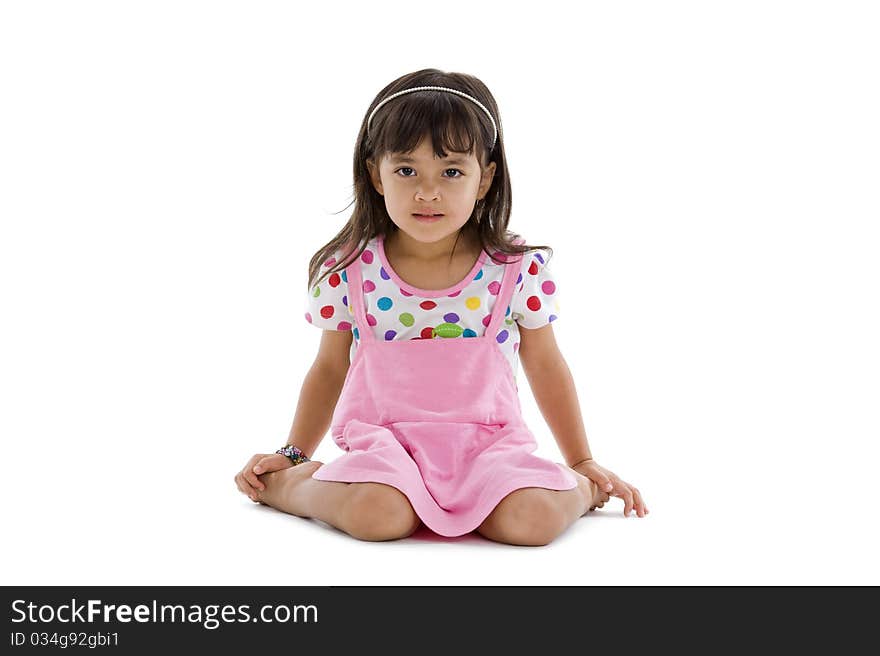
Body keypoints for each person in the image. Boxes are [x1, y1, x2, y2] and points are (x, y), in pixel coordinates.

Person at [234, 68, 648, 546]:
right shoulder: (349, 269)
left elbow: (546, 363)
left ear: (484, 178)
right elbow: (330, 368)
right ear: (376, 174)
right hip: (384, 446)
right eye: (406, 170)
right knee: (378, 516)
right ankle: (290, 487)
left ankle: (582, 490)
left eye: (451, 171)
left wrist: (579, 460)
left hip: (489, 445)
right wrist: (294, 451)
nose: (427, 192)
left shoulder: (513, 269)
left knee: (530, 522)